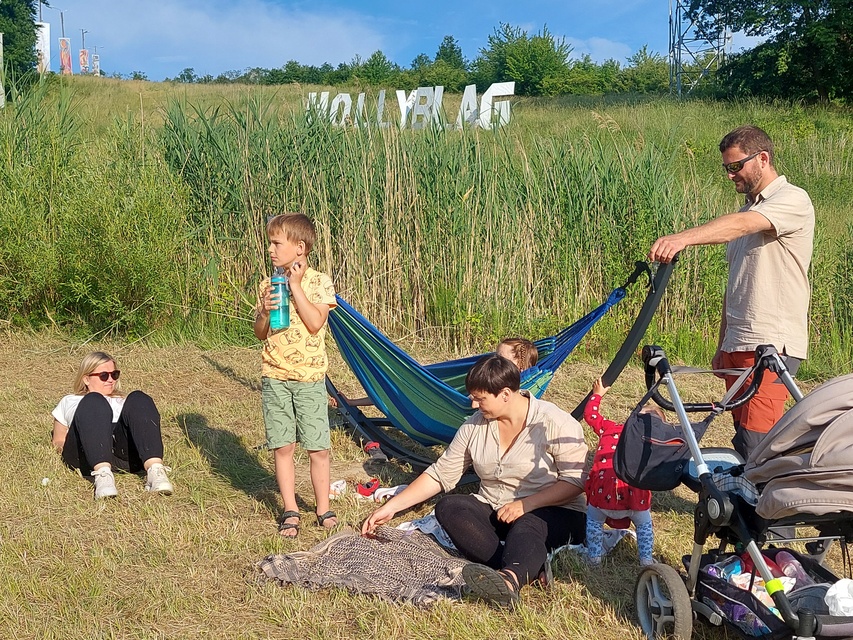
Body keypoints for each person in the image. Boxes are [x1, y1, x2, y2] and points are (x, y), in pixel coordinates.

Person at [362, 354, 587, 607]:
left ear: (504, 394)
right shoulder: (473, 427)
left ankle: (509, 581)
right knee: (449, 507)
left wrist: (527, 505)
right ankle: (525, 566)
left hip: (553, 513)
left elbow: (575, 482)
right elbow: (440, 473)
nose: (473, 405)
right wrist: (391, 507)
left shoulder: (555, 422)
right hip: (496, 509)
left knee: (528, 525)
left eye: (480, 399)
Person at [649, 125, 814, 459]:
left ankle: (767, 509)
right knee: (743, 436)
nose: (730, 175)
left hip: (771, 345)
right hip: (738, 341)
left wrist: (681, 238)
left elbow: (740, 227)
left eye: (735, 166)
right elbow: (736, 284)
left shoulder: (791, 199)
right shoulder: (745, 212)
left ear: (763, 158)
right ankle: (744, 504)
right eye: (726, 167)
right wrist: (723, 343)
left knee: (759, 441)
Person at [254, 212, 338, 537]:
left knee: (318, 447)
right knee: (283, 445)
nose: (271, 250)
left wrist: (295, 286)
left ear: (300, 247)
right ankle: (290, 508)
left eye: (277, 243)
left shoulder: (320, 282)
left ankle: (322, 507)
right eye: (270, 244)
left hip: (310, 379)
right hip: (275, 376)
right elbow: (261, 333)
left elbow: (316, 323)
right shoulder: (266, 284)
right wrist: (263, 311)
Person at [51, 351, 173, 500]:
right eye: (104, 375)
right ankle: (103, 476)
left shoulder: (123, 401)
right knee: (94, 401)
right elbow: (59, 439)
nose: (110, 380)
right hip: (85, 454)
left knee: (139, 398)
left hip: (123, 454)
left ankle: (156, 471)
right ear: (86, 379)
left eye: (114, 374)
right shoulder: (70, 400)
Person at [583, 376, 655, 566]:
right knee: (644, 525)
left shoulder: (610, 428)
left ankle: (594, 557)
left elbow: (590, 416)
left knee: (593, 522)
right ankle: (646, 559)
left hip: (601, 492)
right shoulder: (652, 443)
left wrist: (596, 395)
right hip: (633, 497)